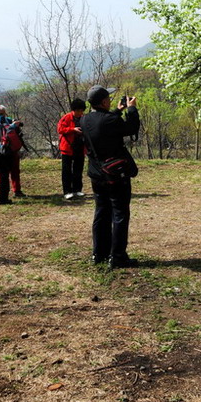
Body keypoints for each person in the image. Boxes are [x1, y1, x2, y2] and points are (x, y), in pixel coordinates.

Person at [80, 86, 140, 269]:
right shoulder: (110, 120)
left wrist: (118, 111)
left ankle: (99, 253)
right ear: (104, 102)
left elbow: (103, 122)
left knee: (101, 212)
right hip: (115, 173)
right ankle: (118, 256)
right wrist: (131, 109)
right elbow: (131, 127)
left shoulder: (84, 119)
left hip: (96, 174)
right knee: (120, 213)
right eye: (109, 99)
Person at [58, 98, 87, 200]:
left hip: (80, 147)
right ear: (74, 110)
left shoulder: (83, 118)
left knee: (78, 170)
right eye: (79, 110)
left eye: (82, 110)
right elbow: (60, 129)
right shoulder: (66, 118)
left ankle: (77, 190)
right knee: (66, 171)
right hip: (68, 148)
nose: (80, 112)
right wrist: (72, 129)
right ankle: (67, 191)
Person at [0, 114, 27, 198]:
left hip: (1, 149)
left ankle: (0, 193)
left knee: (1, 174)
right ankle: (16, 191)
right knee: (14, 172)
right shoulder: (8, 123)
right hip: (11, 150)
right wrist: (15, 124)